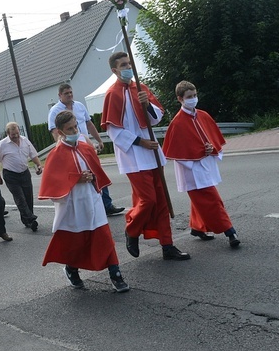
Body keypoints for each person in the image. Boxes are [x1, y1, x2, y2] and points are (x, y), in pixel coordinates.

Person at [101, 51, 190, 261]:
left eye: (129, 63)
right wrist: (141, 142)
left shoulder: (141, 88)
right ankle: (131, 230)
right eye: (123, 65)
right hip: (133, 155)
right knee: (148, 200)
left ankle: (167, 245)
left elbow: (157, 117)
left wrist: (147, 104)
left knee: (162, 202)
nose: (128, 67)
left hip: (152, 154)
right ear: (115, 70)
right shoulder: (112, 94)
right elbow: (113, 130)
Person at [40, 111, 129, 292]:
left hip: (92, 199)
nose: (74, 130)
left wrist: (92, 178)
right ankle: (72, 269)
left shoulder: (85, 147)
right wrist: (76, 179)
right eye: (69, 128)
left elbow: (97, 173)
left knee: (104, 237)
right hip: (73, 204)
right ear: (60, 132)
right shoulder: (56, 154)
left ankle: (116, 274)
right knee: (77, 242)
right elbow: (53, 185)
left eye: (75, 126)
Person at [162, 80, 240, 248]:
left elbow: (212, 139)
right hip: (191, 170)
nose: (193, 99)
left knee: (202, 199)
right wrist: (197, 153)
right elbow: (177, 151)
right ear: (180, 99)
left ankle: (197, 228)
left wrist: (211, 147)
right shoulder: (177, 123)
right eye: (189, 97)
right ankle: (230, 231)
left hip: (206, 165)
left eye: (195, 95)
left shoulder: (203, 115)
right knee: (212, 200)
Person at [48, 83, 125, 217]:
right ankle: (82, 208)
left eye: (71, 92)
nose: (70, 95)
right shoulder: (55, 111)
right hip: (70, 148)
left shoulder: (79, 106)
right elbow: (55, 132)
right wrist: (63, 148)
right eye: (66, 93)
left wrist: (98, 140)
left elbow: (89, 124)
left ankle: (106, 205)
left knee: (97, 172)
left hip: (85, 145)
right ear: (60, 95)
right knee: (81, 177)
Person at [0, 122, 43, 231]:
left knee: (28, 197)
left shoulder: (25, 141)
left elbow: (33, 155)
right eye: (13, 134)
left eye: (17, 134)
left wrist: (39, 165)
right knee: (20, 198)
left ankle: (28, 220)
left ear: (19, 131)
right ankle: (30, 218)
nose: (15, 136)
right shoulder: (2, 144)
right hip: (10, 175)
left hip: (24, 172)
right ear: (7, 133)